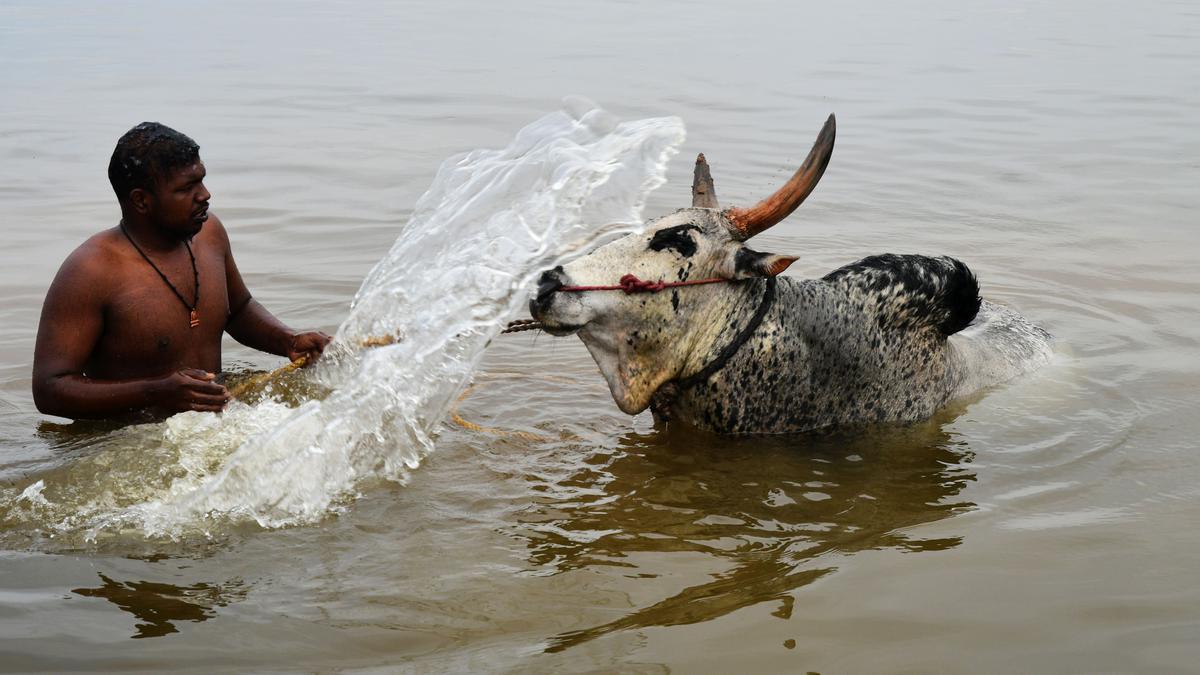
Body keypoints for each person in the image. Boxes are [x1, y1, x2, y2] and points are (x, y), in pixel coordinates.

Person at [32, 122, 332, 420]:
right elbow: (49, 388)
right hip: (132, 441)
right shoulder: (91, 271)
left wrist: (288, 341)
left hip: (215, 426)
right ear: (141, 200)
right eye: (186, 188)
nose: (205, 195)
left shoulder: (209, 233)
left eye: (201, 180)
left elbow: (238, 309)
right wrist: (156, 391)